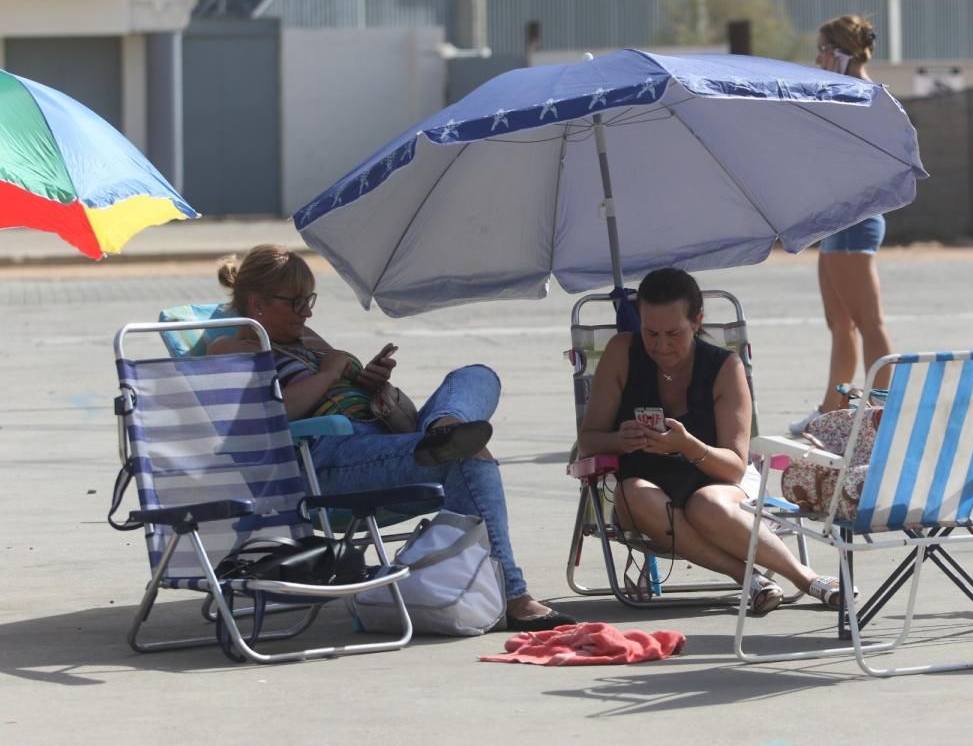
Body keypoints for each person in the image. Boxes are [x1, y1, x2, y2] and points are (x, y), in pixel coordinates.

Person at [208, 244, 575, 632]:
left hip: (380, 433)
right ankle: (514, 596)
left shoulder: (306, 338)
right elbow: (271, 418)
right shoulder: (229, 349)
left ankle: (441, 428)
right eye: (297, 303)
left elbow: (340, 374)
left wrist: (368, 382)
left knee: (477, 375)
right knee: (468, 455)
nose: (308, 312)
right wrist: (330, 374)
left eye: (309, 300)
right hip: (327, 456)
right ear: (257, 303)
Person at [578, 267, 847, 613]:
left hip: (715, 481)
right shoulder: (621, 352)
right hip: (643, 489)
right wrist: (619, 439)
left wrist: (687, 446)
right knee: (634, 495)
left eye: (673, 333)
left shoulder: (724, 367)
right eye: (651, 333)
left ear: (698, 320)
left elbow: (734, 468)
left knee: (707, 506)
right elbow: (589, 441)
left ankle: (804, 577)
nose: (661, 346)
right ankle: (749, 578)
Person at [790, 14, 896, 437]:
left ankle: (879, 412)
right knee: (840, 323)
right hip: (836, 220)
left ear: (840, 53)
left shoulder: (866, 96)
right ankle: (832, 409)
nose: (816, 59)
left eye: (821, 50)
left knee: (869, 321)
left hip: (856, 220)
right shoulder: (838, 95)